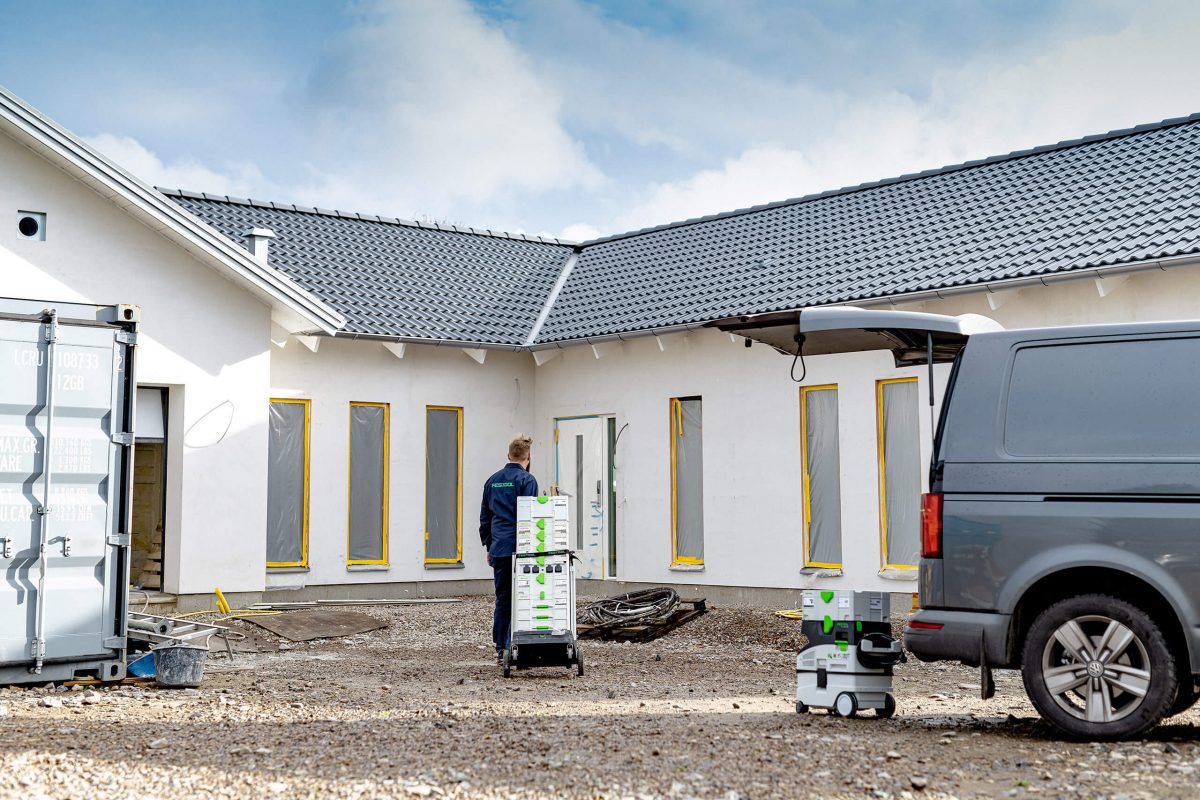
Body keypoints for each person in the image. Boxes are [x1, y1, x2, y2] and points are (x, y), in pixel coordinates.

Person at [479, 434, 539, 662]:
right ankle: (524, 640)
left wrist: (488, 545)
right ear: (528, 456)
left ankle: (501, 646)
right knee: (524, 595)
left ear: (508, 455)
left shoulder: (492, 480)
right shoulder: (527, 480)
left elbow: (485, 517)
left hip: (499, 547)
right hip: (521, 547)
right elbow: (530, 517)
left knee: (503, 597)